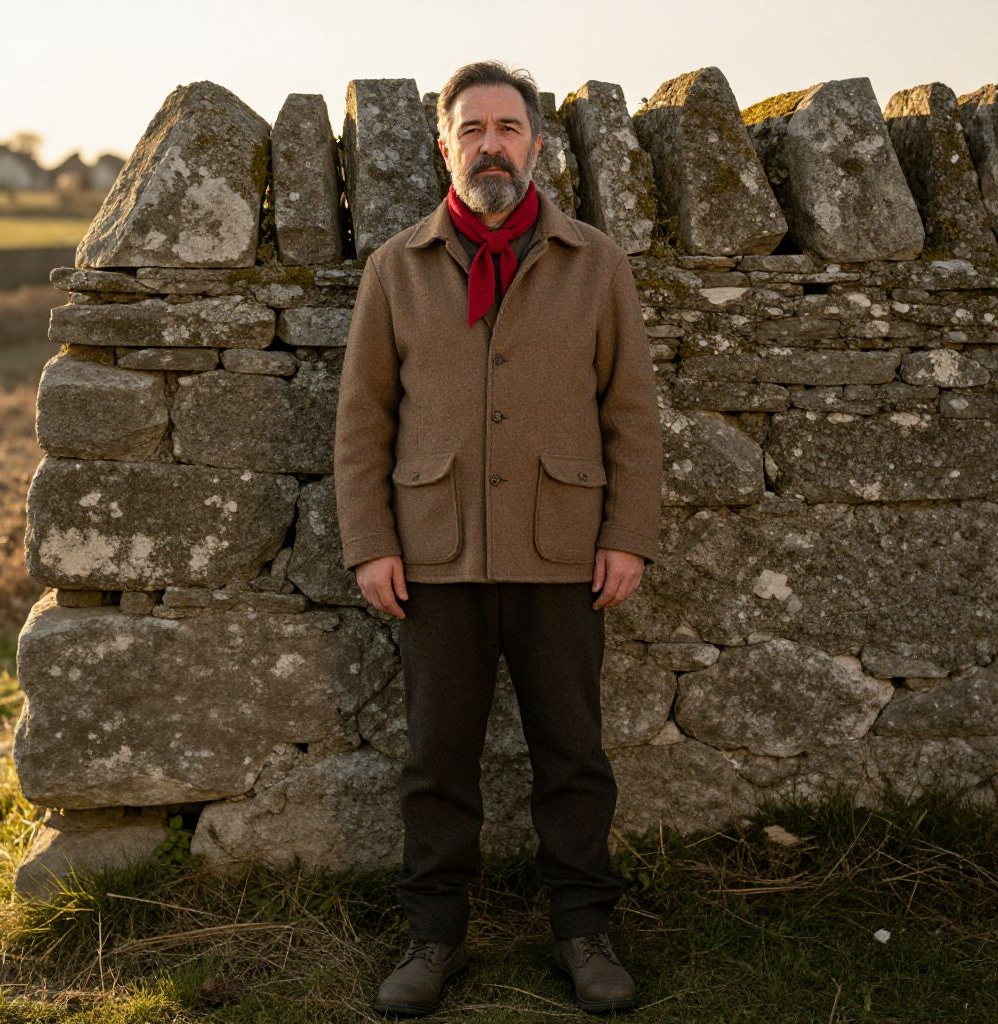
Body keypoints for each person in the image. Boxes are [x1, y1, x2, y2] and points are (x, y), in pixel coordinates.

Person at [333, 59, 663, 1018]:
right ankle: (434, 939)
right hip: (431, 555)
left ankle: (583, 933)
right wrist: (370, 543)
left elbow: (631, 412)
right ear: (444, 145)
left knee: (574, 753)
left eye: (508, 127)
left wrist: (627, 534)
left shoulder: (595, 263)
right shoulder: (396, 268)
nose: (491, 145)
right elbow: (363, 420)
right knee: (437, 760)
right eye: (471, 128)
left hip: (564, 550)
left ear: (537, 145)